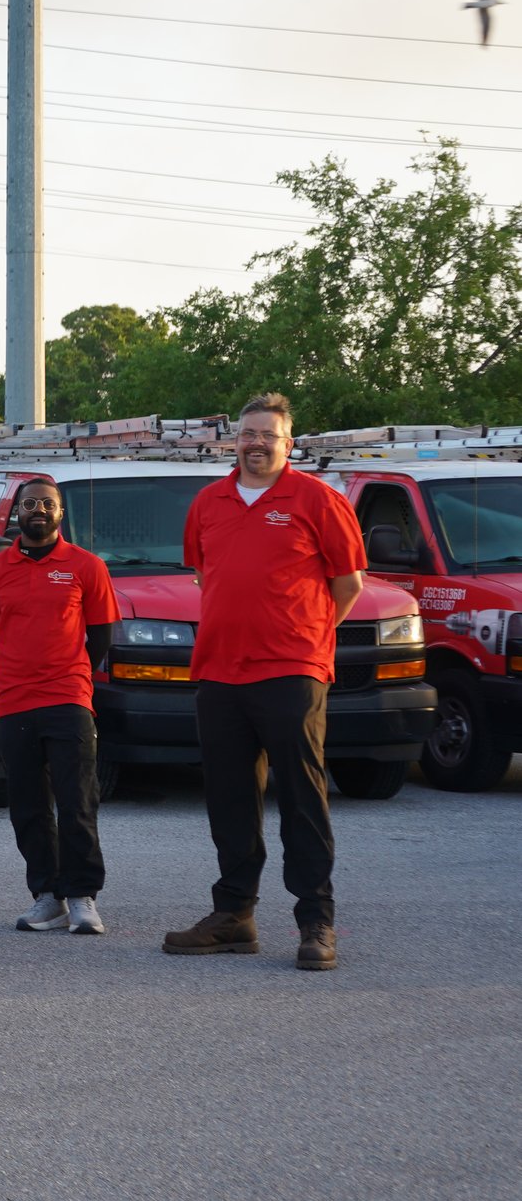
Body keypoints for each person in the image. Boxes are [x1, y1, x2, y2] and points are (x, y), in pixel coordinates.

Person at [164, 393, 365, 972]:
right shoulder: (209, 502)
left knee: (302, 797)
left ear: (288, 442)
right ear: (236, 440)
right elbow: (208, 574)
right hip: (221, 671)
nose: (256, 444)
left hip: (292, 670)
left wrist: (307, 636)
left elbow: (347, 583)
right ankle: (234, 916)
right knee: (229, 797)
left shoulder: (317, 501)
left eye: (268, 436)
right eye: (248, 434)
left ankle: (316, 920)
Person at [0, 476, 117, 937]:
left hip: (69, 698)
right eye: (30, 503)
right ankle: (47, 895)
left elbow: (100, 635)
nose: (39, 510)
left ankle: (81, 896)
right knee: (27, 805)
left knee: (77, 801)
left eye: (48, 504)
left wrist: (72, 673)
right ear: (16, 512)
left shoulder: (86, 566)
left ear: (61, 513)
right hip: (14, 700)